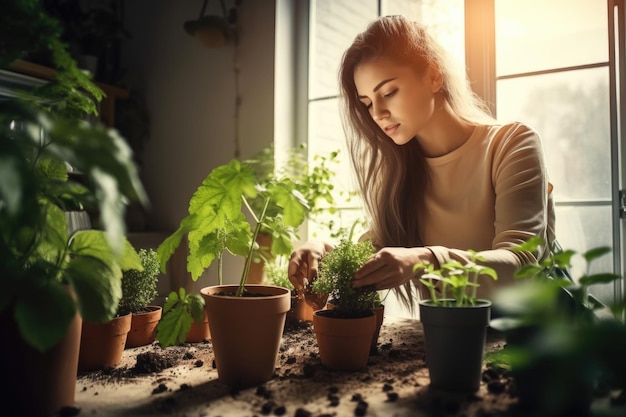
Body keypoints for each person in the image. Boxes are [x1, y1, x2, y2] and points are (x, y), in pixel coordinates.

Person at [288, 15, 555, 310]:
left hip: (531, 342)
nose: (377, 113)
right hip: (447, 341)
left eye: (388, 92)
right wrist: (322, 251)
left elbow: (521, 267)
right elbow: (373, 254)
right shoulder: (400, 172)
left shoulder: (510, 145)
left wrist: (424, 260)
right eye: (366, 103)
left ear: (433, 76)